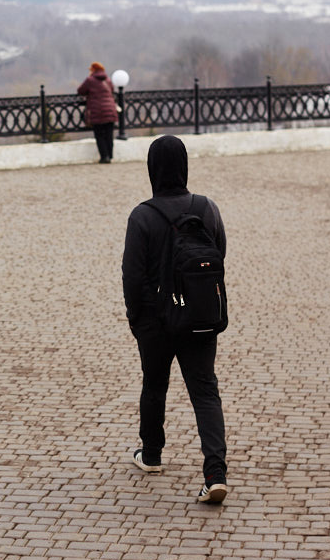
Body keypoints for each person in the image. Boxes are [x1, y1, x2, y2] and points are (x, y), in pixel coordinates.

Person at [121, 135, 229, 503]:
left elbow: (132, 276)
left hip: (156, 321)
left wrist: (137, 320)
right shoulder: (207, 207)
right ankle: (215, 473)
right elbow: (220, 255)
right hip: (199, 316)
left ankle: (151, 455)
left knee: (154, 384)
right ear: (184, 165)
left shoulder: (143, 215)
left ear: (152, 169)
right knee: (205, 391)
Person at [77, 62, 119, 163]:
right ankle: (110, 155)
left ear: (93, 70)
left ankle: (104, 157)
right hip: (110, 110)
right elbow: (112, 90)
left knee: (99, 135)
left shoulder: (90, 80)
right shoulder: (107, 80)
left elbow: (80, 90)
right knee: (109, 134)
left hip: (97, 111)